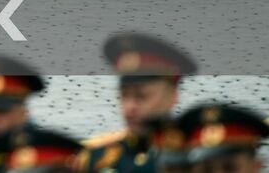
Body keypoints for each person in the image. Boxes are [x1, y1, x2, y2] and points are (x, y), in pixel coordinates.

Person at [79, 34, 197, 173]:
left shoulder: (194, 156)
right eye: (124, 95)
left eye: (142, 96)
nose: (129, 107)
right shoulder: (95, 158)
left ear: (172, 96)